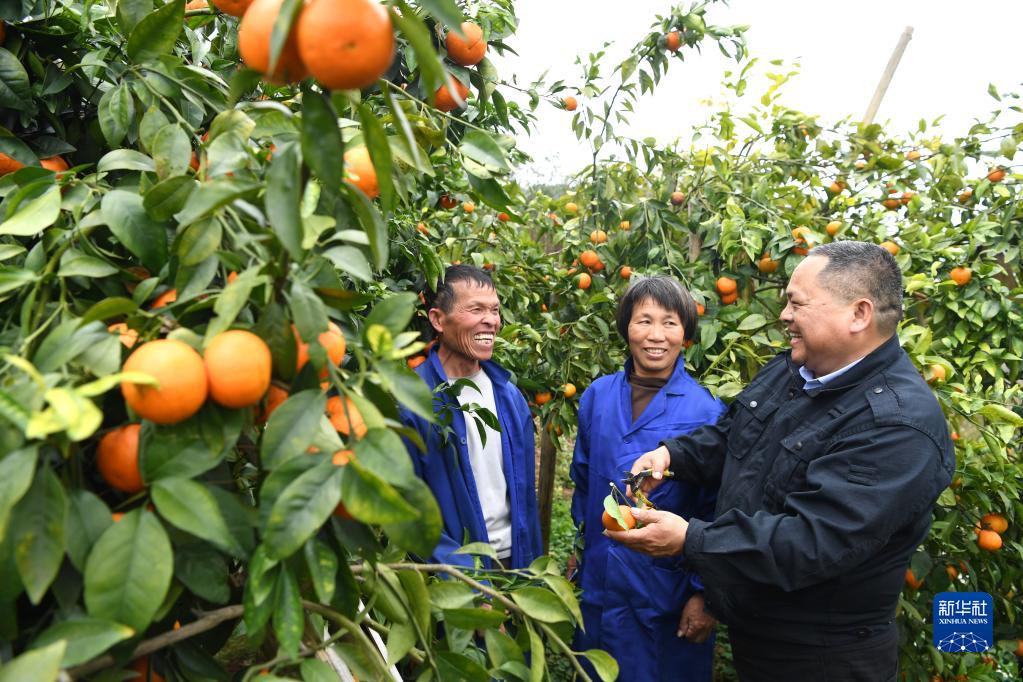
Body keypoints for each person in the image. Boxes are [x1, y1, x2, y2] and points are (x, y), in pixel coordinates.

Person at [610, 241, 955, 681]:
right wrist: (673, 455)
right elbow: (733, 435)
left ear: (858, 314)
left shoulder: (898, 427)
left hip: (822, 658)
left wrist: (691, 539)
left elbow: (812, 541)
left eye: (797, 303)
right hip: (761, 635)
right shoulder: (795, 369)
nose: (784, 316)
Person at [570, 276, 724, 681]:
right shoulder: (598, 396)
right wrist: (579, 547)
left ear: (686, 333)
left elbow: (718, 509)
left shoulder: (706, 412)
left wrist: (703, 594)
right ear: (626, 328)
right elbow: (584, 482)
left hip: (664, 594)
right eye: (644, 321)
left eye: (670, 323)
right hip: (600, 584)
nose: (656, 336)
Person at [401, 265, 542, 570]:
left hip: (514, 564)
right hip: (453, 575)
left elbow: (524, 501)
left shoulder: (509, 397)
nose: (491, 320)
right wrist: (472, 589)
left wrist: (531, 572)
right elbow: (408, 513)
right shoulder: (414, 401)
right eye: (476, 309)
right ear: (438, 319)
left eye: (494, 310)